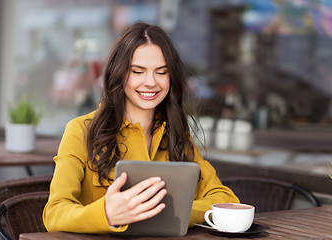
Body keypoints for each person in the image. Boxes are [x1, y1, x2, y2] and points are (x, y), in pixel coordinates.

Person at [43, 21, 239, 234]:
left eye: (161, 72)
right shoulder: (81, 130)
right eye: (138, 71)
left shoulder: (175, 133)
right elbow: (54, 213)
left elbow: (226, 200)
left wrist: (172, 212)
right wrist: (107, 215)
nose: (151, 82)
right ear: (118, 73)